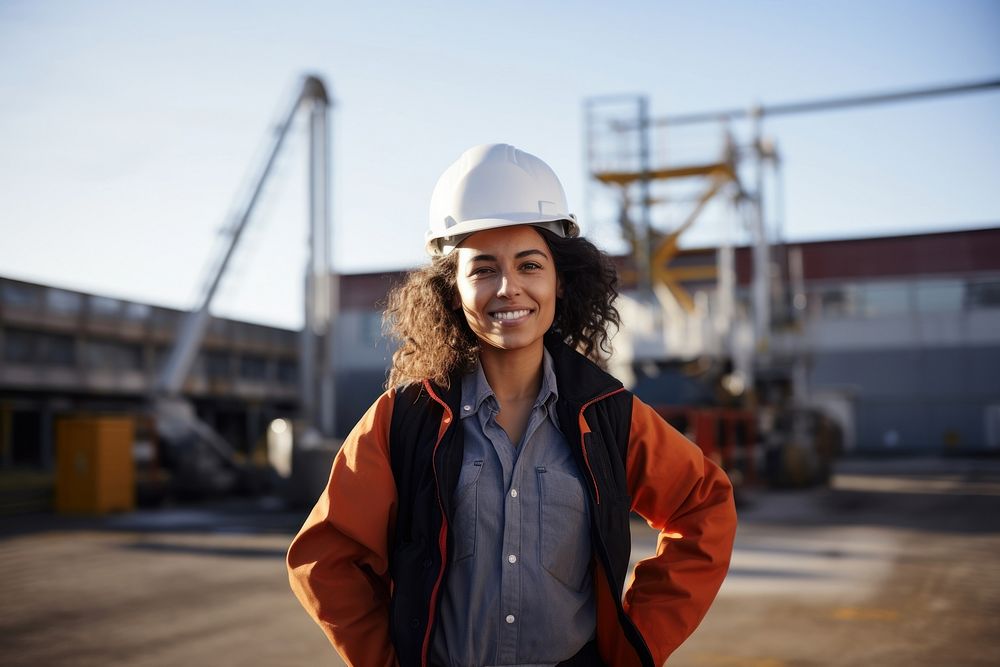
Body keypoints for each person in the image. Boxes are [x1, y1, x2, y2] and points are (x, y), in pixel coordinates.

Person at [287, 143, 737, 667]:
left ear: (559, 280)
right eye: (482, 269)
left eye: (529, 265)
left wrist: (633, 647)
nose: (509, 288)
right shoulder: (404, 418)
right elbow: (325, 557)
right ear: (452, 290)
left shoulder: (609, 415)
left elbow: (703, 505)